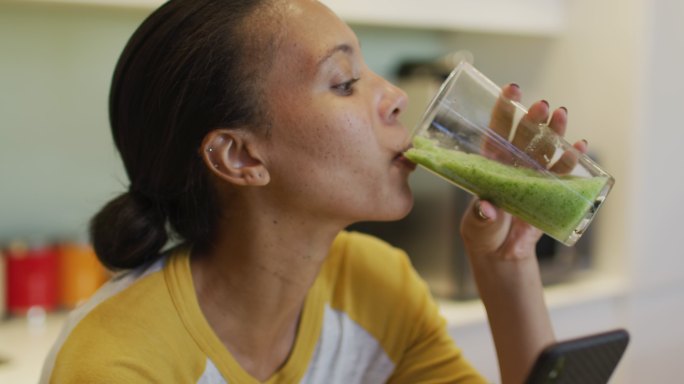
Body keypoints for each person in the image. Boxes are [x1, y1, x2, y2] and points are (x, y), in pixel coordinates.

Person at [40, 0, 585, 383]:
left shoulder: (374, 285)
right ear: (241, 156)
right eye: (344, 82)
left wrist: (508, 263)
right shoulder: (116, 364)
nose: (395, 96)